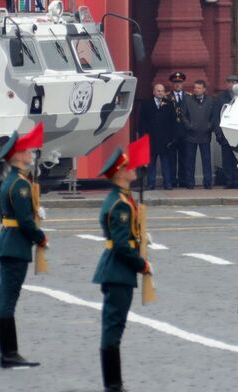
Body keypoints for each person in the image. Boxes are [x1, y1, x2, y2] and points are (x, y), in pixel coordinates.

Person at [92, 147, 152, 392]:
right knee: (113, 327)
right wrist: (141, 264)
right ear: (119, 173)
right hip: (118, 271)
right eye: (128, 166)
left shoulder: (122, 198)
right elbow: (120, 244)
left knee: (115, 326)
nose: (133, 169)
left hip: (118, 270)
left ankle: (114, 384)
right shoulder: (119, 204)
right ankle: (113, 385)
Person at [0, 131, 47, 368]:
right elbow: (24, 220)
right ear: (18, 156)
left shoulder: (10, 180)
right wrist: (40, 237)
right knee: (8, 301)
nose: (30, 154)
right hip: (15, 246)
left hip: (8, 242)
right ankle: (9, 354)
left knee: (5, 299)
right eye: (27, 151)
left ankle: (8, 353)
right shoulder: (21, 184)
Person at [137, 83, 177, 190]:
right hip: (151, 139)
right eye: (158, 91)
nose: (160, 93)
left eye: (162, 91)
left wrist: (172, 138)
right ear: (154, 92)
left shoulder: (169, 104)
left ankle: (167, 183)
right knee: (151, 163)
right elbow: (142, 122)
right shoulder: (146, 104)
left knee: (166, 163)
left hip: (165, 140)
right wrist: (142, 137)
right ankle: (151, 183)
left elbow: (173, 122)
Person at [180, 78, 216, 189]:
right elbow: (183, 115)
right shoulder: (187, 100)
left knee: (206, 160)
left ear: (204, 89)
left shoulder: (211, 100)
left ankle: (208, 183)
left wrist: (209, 126)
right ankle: (190, 183)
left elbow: (214, 116)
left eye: (199, 88)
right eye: (195, 88)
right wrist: (189, 126)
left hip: (205, 134)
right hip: (191, 135)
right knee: (190, 161)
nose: (196, 90)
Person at [214, 74, 238, 188]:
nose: (232, 85)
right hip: (225, 133)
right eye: (230, 82)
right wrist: (218, 133)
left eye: (234, 82)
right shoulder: (220, 97)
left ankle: (237, 181)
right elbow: (216, 116)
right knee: (227, 160)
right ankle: (229, 181)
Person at [168, 71, 188, 183]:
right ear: (172, 84)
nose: (177, 85)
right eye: (175, 82)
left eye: (179, 83)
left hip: (185, 133)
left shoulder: (189, 97)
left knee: (184, 158)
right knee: (171, 159)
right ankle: (172, 181)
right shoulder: (166, 97)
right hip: (172, 133)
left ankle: (183, 180)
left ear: (183, 83)